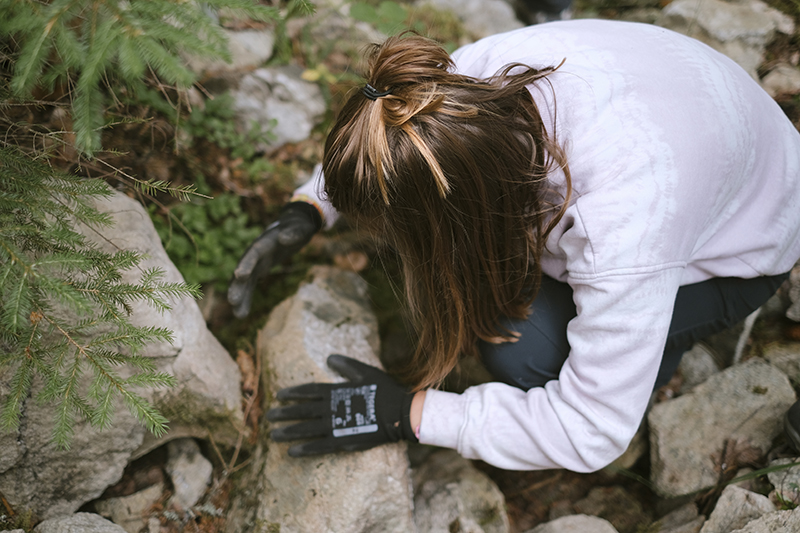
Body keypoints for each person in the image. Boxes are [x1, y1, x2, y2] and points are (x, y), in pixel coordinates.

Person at [228, 20, 800, 471]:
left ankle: (650, 360)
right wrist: (307, 209)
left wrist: (412, 414)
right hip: (699, 114)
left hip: (748, 236)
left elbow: (590, 431)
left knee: (519, 349)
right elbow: (391, 139)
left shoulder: (622, 224)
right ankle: (628, 341)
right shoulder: (454, 89)